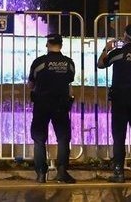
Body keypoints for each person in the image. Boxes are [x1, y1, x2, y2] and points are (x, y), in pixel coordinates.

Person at [97, 23, 131, 183]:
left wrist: (107, 48)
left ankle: (119, 172)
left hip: (120, 100)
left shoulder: (118, 53)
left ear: (126, 36)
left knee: (119, 137)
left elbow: (100, 64)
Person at [28, 33, 77, 184]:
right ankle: (61, 172)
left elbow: (31, 83)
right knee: (63, 138)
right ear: (61, 45)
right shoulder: (69, 63)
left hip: (42, 104)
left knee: (39, 139)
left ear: (47, 44)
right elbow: (70, 80)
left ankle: (41, 174)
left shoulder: (39, 62)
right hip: (61, 105)